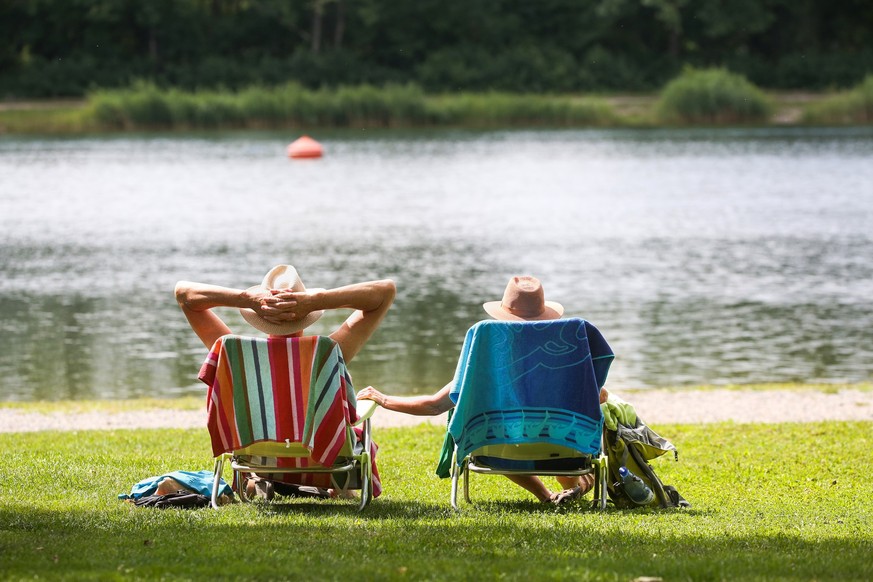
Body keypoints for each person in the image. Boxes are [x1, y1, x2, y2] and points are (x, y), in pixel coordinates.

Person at [357, 275, 609, 505]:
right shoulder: (567, 366)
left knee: (498, 432)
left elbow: (434, 405)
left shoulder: (484, 364)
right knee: (559, 425)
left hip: (496, 451)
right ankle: (575, 484)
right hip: (568, 456)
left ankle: (545, 496)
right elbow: (599, 398)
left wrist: (383, 399)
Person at [175, 264, 396, 500]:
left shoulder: (233, 353)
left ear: (258, 314)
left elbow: (183, 293)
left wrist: (246, 299)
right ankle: (340, 487)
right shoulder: (326, 352)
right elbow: (386, 291)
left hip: (257, 460)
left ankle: (258, 478)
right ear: (307, 316)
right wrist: (315, 300)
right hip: (323, 461)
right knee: (354, 428)